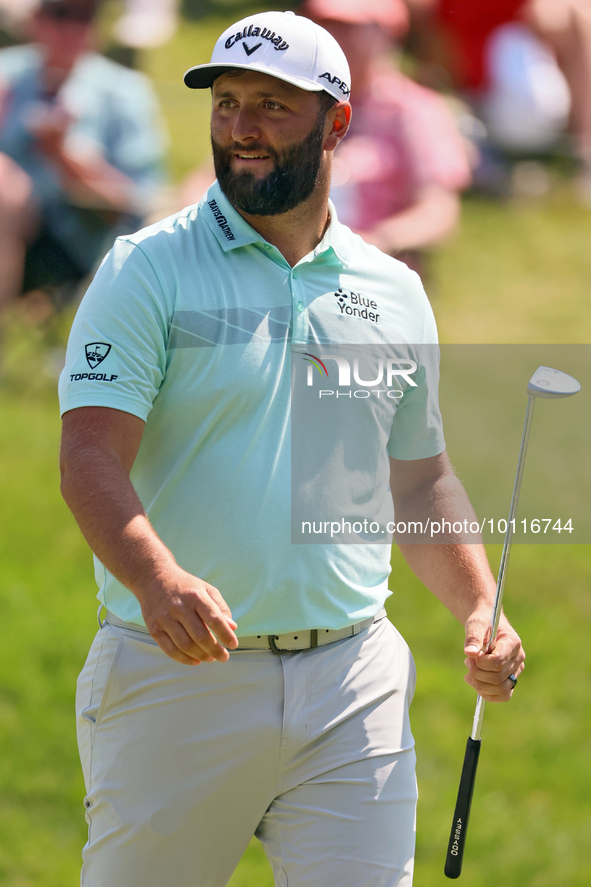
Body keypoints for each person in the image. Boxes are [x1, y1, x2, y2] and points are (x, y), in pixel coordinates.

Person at [58, 10, 525, 887]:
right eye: (228, 102)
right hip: (175, 676)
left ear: (336, 123)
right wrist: (158, 579)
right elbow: (88, 452)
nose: (240, 127)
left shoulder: (392, 290)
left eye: (272, 107)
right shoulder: (145, 268)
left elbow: (419, 480)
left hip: (353, 680)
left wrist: (477, 604)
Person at [0, 0, 167, 317]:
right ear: (35, 19)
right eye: (61, 13)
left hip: (80, 244)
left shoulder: (124, 91)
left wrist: (63, 156)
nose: (73, 28)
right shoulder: (6, 74)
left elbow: (141, 203)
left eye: (86, 16)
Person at [300, 0, 472, 275]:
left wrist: (376, 242)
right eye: (325, 28)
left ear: (386, 33)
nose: (334, 40)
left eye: (348, 28)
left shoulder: (416, 110)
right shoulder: (303, 105)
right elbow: (216, 180)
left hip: (372, 277)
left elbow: (439, 213)